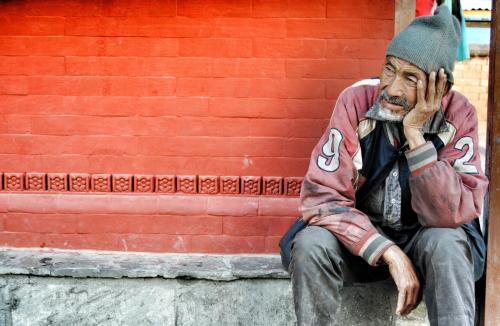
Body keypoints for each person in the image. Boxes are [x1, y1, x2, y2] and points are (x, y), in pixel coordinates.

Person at [280, 5, 488, 326]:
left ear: (440, 88)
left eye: (410, 78)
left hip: (426, 243)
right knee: (311, 243)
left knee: (447, 243)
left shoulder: (459, 114)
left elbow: (452, 214)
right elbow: (322, 199)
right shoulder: (356, 100)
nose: (391, 89)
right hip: (362, 242)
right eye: (389, 70)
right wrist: (389, 252)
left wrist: (416, 136)